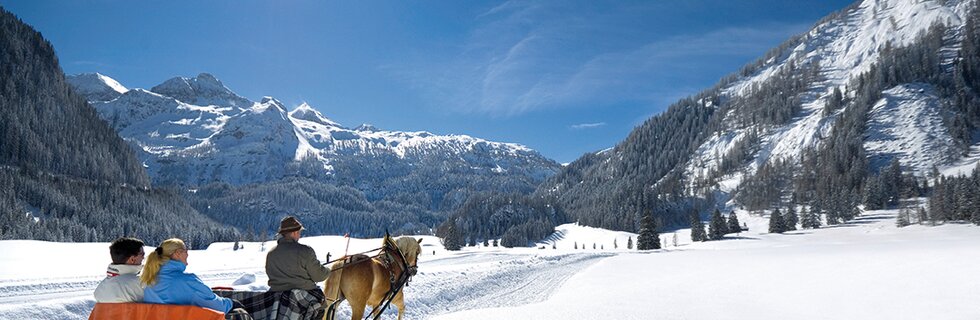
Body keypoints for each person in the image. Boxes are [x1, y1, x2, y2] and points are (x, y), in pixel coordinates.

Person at [140, 238, 236, 314]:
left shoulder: (148, 280)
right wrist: (232, 303)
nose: (187, 254)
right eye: (186, 251)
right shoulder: (188, 281)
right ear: (177, 253)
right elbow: (218, 307)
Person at [265, 216, 330, 292]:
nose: (300, 235)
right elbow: (319, 276)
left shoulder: (271, 254)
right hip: (304, 297)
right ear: (294, 232)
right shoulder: (305, 251)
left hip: (276, 296)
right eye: (299, 232)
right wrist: (328, 270)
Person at [94, 237, 145, 303]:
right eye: (142, 254)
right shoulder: (139, 284)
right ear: (132, 259)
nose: (143, 257)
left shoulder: (99, 289)